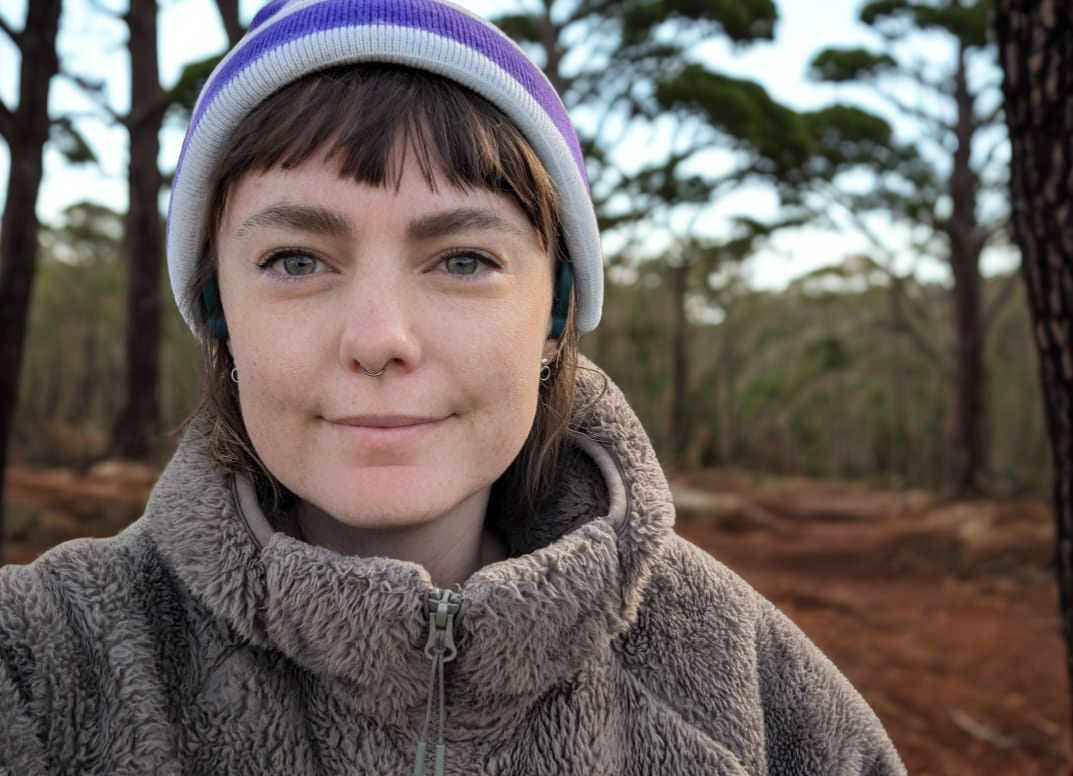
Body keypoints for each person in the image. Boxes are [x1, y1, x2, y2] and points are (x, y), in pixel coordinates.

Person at [0, 1, 906, 774]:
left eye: (463, 259)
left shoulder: (747, 681)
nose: (380, 339)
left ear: (554, 317)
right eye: (297, 259)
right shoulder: (42, 662)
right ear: (218, 310)